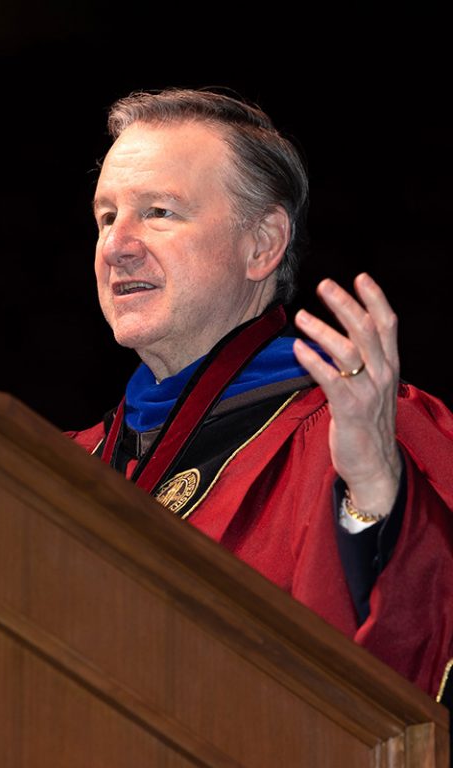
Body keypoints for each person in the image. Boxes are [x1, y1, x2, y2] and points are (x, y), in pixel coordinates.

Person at [67, 87, 453, 711]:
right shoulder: (61, 466)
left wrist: (377, 500)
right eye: (106, 216)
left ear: (263, 245)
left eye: (159, 211)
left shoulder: (367, 431)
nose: (117, 244)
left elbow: (414, 652)